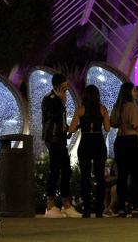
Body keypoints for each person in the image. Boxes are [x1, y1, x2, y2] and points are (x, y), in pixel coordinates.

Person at [41, 73, 81, 218]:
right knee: (55, 170)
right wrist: (61, 103)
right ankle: (50, 205)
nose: (66, 90)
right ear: (57, 86)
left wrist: (69, 129)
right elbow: (52, 116)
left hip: (60, 138)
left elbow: (60, 122)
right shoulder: (49, 99)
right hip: (52, 139)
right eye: (64, 87)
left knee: (66, 170)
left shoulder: (59, 99)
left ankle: (66, 204)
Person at [69, 84, 110, 217]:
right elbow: (108, 128)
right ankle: (99, 210)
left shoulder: (80, 109)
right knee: (100, 177)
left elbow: (72, 128)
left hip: (85, 142)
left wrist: (82, 124)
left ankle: (86, 209)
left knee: (85, 177)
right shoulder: (102, 109)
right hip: (98, 142)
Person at [111, 82, 138, 216]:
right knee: (135, 174)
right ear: (129, 92)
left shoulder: (117, 107)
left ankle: (121, 207)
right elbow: (136, 125)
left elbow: (113, 123)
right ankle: (135, 206)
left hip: (120, 141)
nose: (136, 93)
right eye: (134, 90)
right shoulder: (132, 107)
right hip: (131, 141)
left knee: (122, 175)